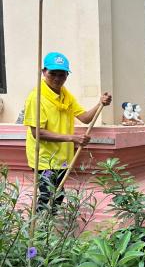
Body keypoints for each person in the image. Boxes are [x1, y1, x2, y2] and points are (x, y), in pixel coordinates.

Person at [23, 52, 112, 210]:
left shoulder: (66, 95)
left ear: (67, 75)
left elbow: (85, 118)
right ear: (44, 72)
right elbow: (38, 133)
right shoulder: (36, 97)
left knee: (58, 195)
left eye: (62, 74)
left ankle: (46, 229)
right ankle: (40, 230)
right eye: (53, 74)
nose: (57, 79)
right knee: (47, 196)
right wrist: (73, 138)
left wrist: (100, 104)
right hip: (44, 161)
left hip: (62, 159)